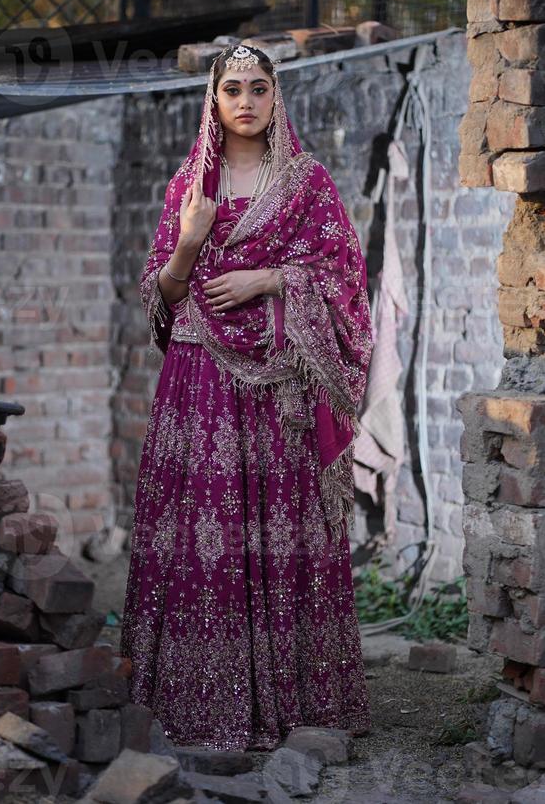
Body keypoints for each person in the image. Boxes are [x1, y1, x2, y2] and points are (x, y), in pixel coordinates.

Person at [119, 42, 374, 752]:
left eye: (259, 88)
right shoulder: (189, 189)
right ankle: (192, 701)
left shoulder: (307, 184)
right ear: (214, 97)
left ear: (275, 98)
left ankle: (293, 702)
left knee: (280, 528)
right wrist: (189, 245)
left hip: (279, 386)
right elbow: (160, 300)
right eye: (233, 88)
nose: (246, 101)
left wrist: (269, 281)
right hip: (199, 381)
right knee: (202, 530)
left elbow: (344, 277)